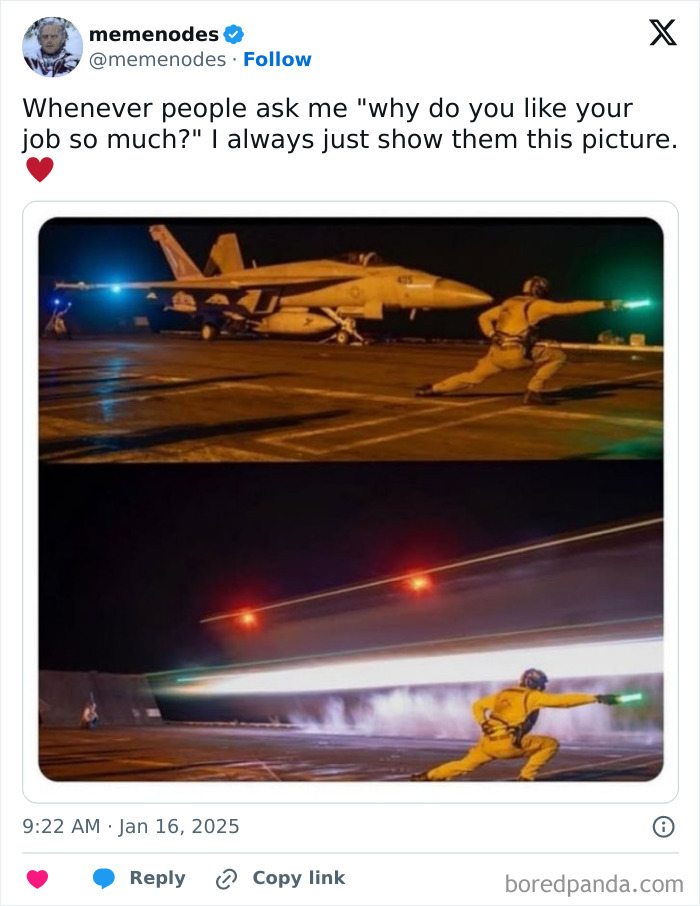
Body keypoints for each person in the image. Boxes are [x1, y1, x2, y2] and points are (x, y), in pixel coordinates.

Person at [415, 277, 624, 405]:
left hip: (495, 354)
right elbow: (570, 308)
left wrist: (491, 334)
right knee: (558, 357)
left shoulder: (509, 303)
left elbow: (483, 317)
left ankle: (433, 389)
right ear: (540, 290)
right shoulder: (537, 305)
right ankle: (534, 390)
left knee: (471, 377)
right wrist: (606, 304)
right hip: (516, 356)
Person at [411, 668, 618, 782]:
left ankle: (428, 776)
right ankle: (526, 778)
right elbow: (564, 701)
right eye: (542, 684)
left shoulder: (504, 693)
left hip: (487, 743)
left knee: (464, 765)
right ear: (535, 684)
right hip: (509, 744)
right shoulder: (532, 697)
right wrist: (596, 698)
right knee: (550, 744)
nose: (543, 688)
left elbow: (477, 705)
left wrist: (483, 722)